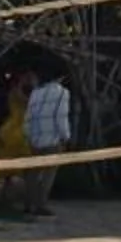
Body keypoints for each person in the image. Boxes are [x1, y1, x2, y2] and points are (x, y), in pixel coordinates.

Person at [21, 65, 75, 215]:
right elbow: (61, 117)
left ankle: (29, 204)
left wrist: (28, 134)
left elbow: (28, 116)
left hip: (36, 138)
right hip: (52, 138)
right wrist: (66, 136)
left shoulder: (36, 92)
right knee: (48, 174)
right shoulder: (62, 93)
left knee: (33, 172)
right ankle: (41, 204)